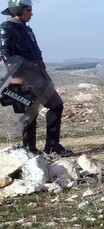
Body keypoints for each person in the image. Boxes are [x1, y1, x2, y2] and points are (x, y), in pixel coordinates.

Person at [0, 0, 71, 155]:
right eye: (28, 10)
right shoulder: (7, 28)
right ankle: (29, 149)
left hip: (38, 74)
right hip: (23, 77)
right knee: (29, 112)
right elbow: (5, 54)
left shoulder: (25, 28)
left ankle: (52, 145)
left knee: (56, 105)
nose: (31, 13)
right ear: (18, 10)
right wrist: (16, 76)